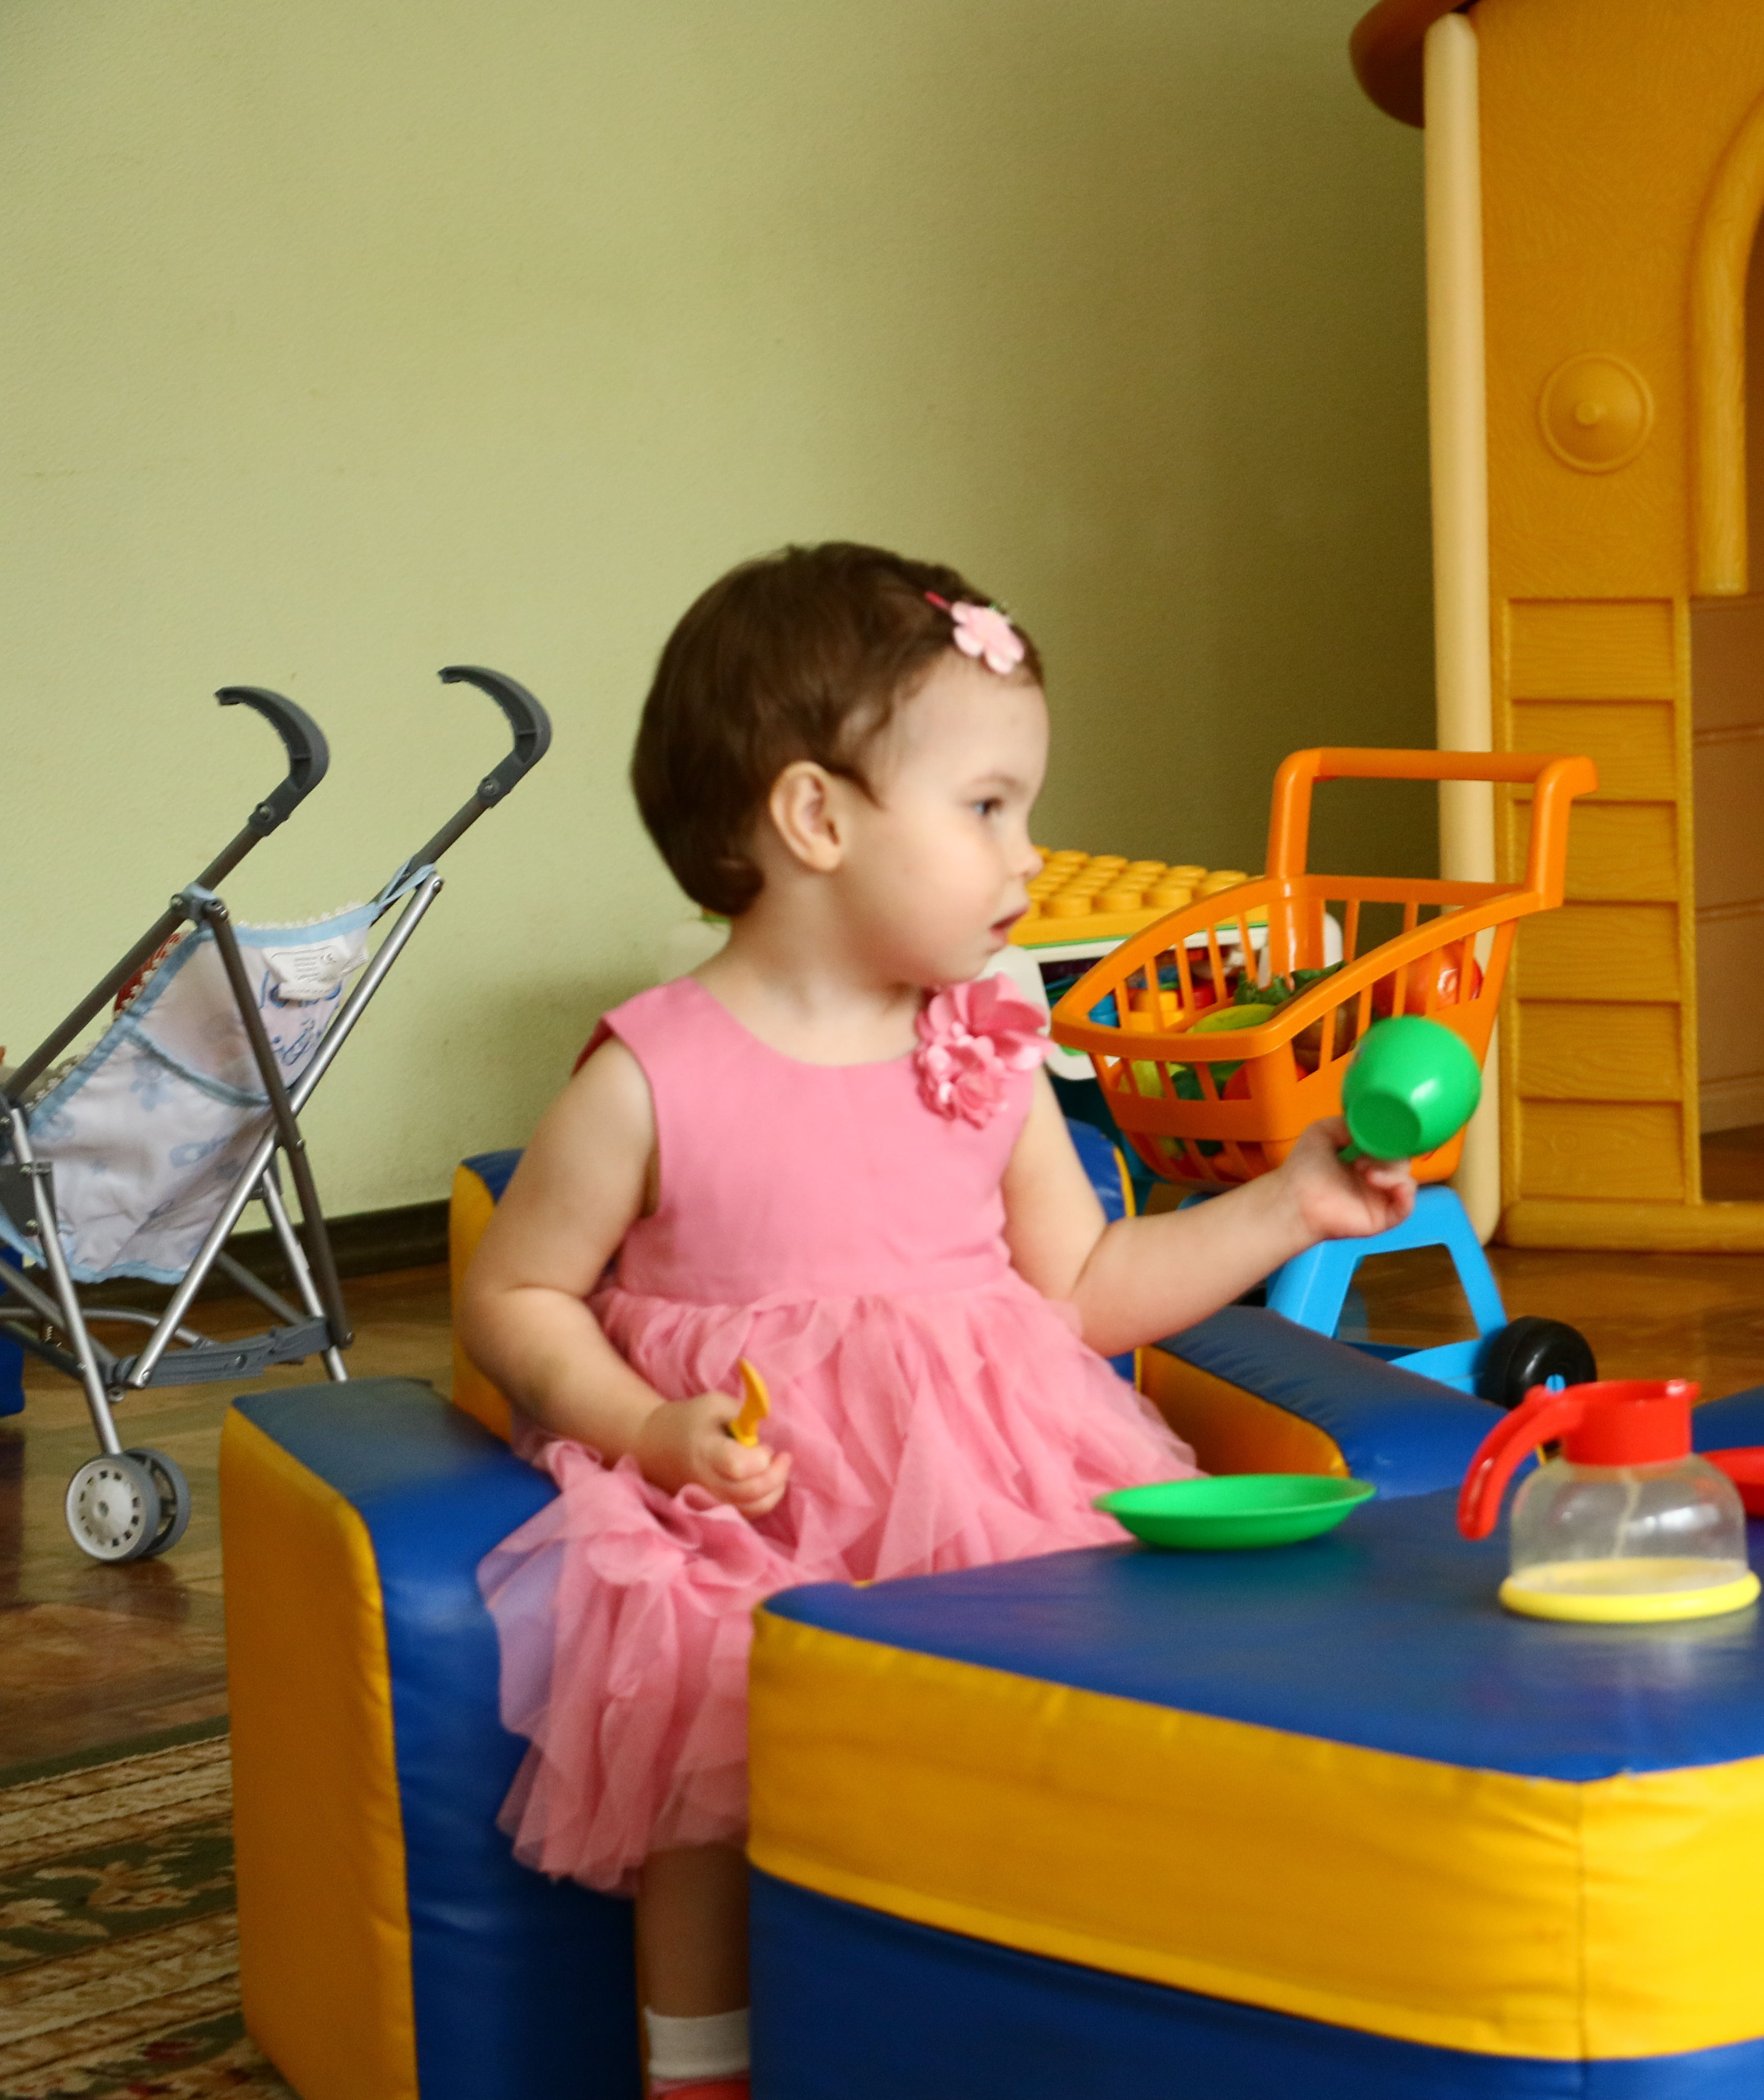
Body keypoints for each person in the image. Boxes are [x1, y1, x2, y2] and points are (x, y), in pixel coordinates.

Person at [459, 543, 1416, 2099]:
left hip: (993, 1493)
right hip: (750, 1510)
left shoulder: (988, 1046)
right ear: (816, 819)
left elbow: (1084, 1291)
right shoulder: (655, 1073)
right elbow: (515, 1293)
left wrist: (1291, 1205)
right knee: (708, 1731)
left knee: (1067, 1714)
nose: (1030, 854)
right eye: (987, 808)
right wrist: (648, 1428)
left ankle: (1021, 2026)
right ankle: (701, 2073)